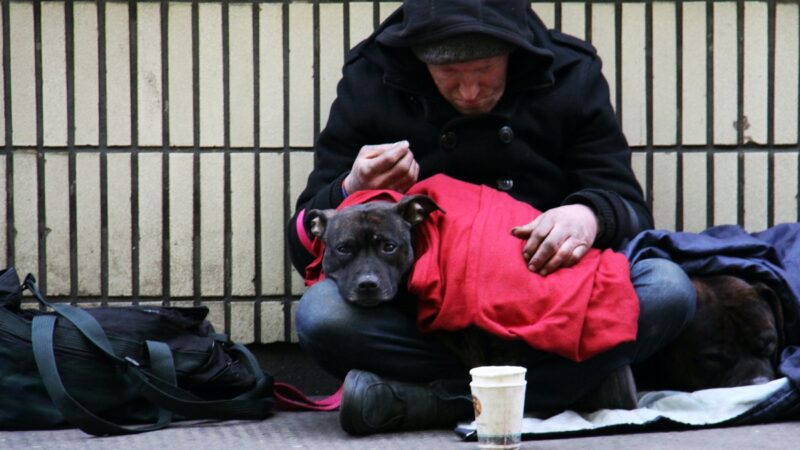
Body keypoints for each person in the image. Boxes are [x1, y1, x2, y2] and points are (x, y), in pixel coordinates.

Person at [287, 0, 696, 435]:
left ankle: (425, 402)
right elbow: (306, 242)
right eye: (448, 76)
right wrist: (351, 187)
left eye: (484, 71)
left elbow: (629, 207)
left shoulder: (571, 71)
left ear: (513, 53)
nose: (468, 92)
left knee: (669, 288)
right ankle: (572, 386)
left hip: (548, 294)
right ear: (418, 59)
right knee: (322, 316)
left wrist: (587, 214)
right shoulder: (373, 75)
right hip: (428, 315)